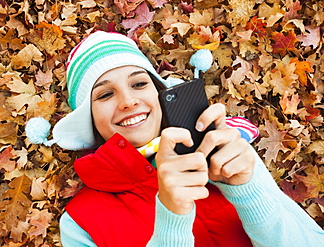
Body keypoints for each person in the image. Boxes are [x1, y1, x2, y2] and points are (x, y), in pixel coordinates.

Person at [25, 31, 324, 246]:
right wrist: (172, 218)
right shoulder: (80, 223)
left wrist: (248, 191)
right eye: (105, 94)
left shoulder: (226, 152)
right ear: (90, 120)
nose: (128, 101)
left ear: (160, 93)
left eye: (139, 83)